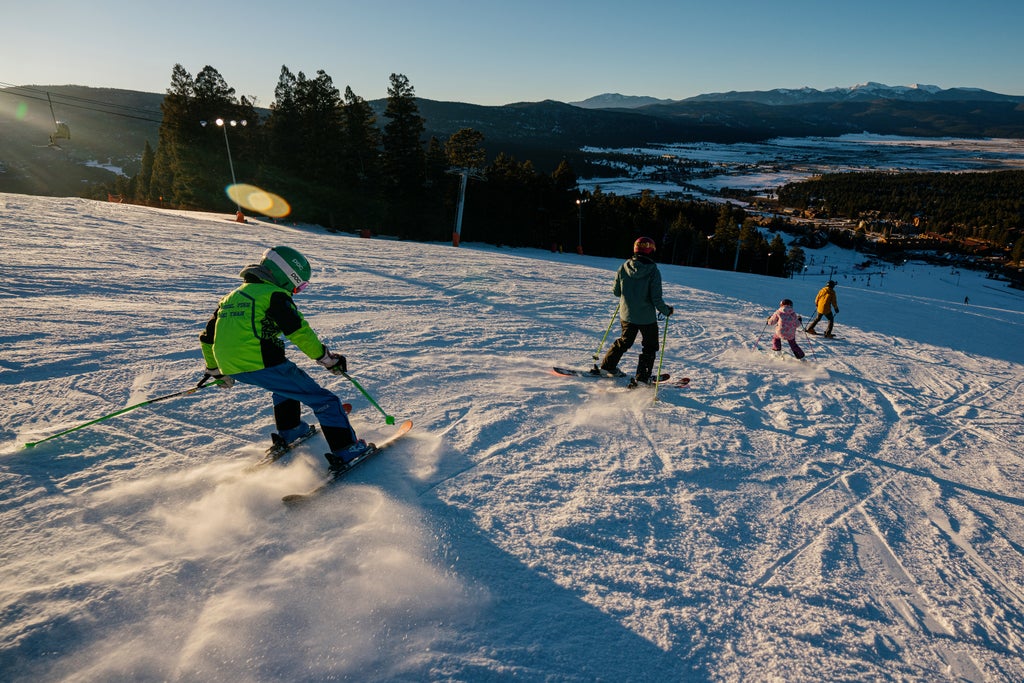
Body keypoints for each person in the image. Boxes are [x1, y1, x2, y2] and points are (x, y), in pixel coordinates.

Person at [198, 246, 368, 471]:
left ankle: (292, 430)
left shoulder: (231, 297)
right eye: (299, 285)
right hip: (263, 362)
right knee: (325, 401)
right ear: (287, 278)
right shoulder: (274, 294)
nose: (297, 291)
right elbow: (298, 331)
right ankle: (347, 449)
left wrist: (215, 370)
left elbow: (207, 338)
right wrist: (326, 358)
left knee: (285, 388)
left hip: (232, 365)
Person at [595, 236, 674, 385]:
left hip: (627, 314)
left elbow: (617, 292)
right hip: (646, 318)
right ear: (651, 250)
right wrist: (666, 310)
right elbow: (656, 298)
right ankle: (642, 378)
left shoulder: (624, 266)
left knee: (625, 341)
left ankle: (607, 367)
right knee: (650, 346)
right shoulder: (653, 270)